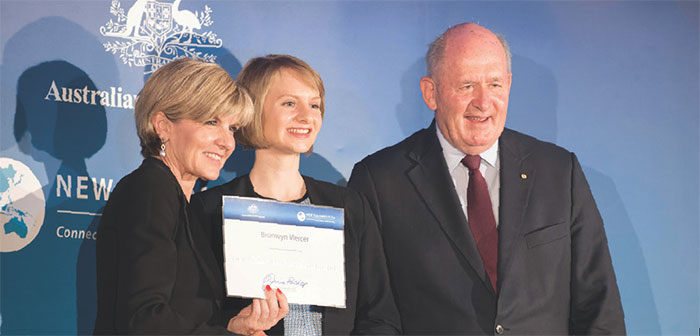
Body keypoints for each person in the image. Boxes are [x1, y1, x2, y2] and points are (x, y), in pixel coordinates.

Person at [347, 23, 626, 335]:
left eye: (494, 84)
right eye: (466, 86)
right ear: (431, 92)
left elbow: (600, 308)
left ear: (508, 84)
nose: (483, 102)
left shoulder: (559, 171)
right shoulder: (379, 181)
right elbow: (374, 317)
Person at [190, 54, 401, 335]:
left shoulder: (350, 208)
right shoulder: (209, 210)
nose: (306, 116)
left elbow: (380, 317)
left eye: (314, 105)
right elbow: (193, 319)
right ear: (252, 111)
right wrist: (234, 329)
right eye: (289, 103)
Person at [94, 57, 289, 334]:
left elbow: (180, 312)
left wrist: (233, 326)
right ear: (163, 125)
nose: (227, 142)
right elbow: (144, 320)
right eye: (211, 122)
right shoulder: (150, 189)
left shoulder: (182, 203)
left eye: (232, 128)